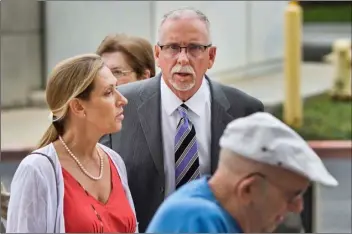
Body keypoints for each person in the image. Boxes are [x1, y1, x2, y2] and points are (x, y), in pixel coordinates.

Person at [101, 7, 264, 231]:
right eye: (172, 48)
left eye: (195, 48)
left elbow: (262, 194)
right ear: (157, 55)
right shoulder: (120, 107)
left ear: (211, 56)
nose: (183, 58)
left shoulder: (245, 110)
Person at [6, 54, 138, 233]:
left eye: (117, 88)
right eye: (108, 92)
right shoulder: (36, 171)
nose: (122, 100)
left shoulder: (114, 160)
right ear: (78, 107)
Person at [146, 112, 339, 233]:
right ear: (248, 189)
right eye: (292, 196)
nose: (298, 208)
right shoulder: (197, 220)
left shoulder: (208, 211)